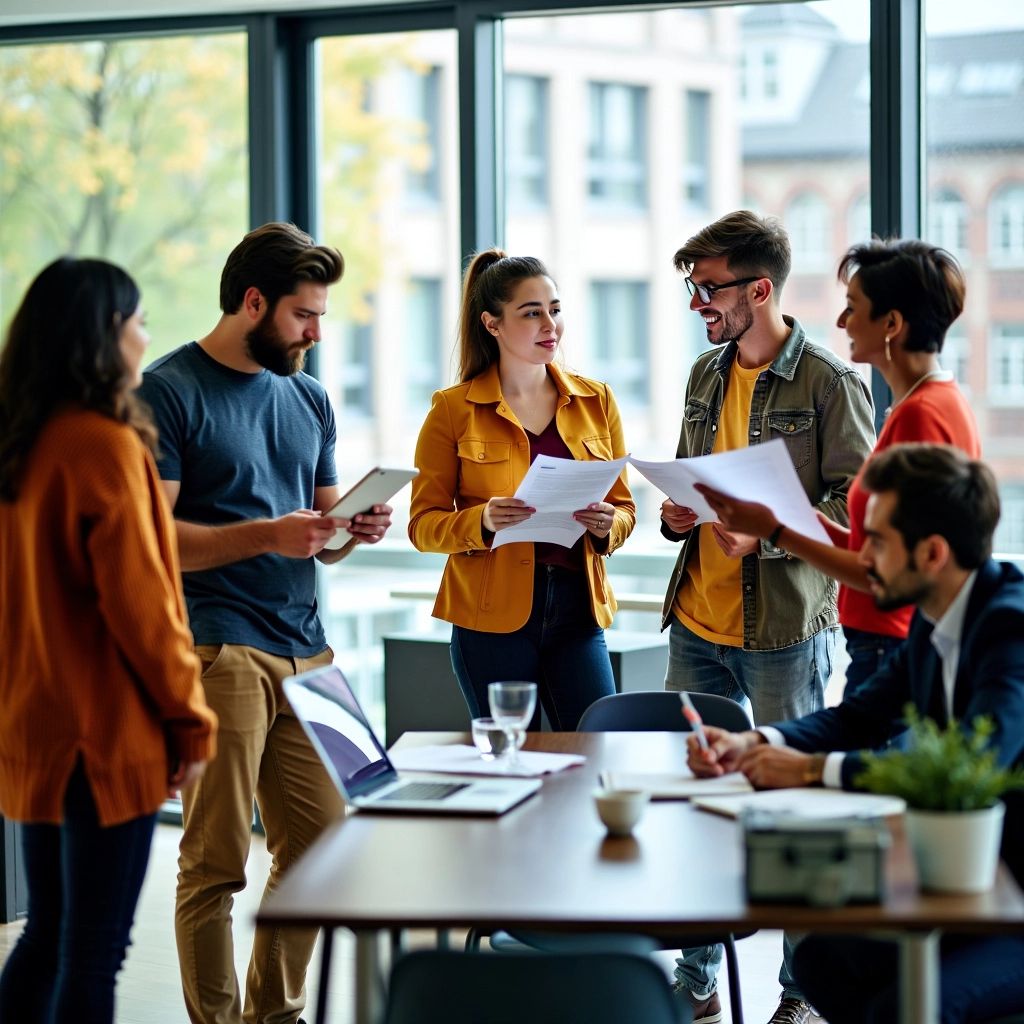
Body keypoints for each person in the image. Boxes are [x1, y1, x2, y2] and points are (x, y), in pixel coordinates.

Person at [137, 223, 392, 1024]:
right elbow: (156, 543)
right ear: (253, 303)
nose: (317, 333)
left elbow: (319, 534)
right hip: (217, 646)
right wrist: (269, 535)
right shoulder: (167, 391)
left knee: (327, 842)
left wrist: (353, 527)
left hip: (309, 651)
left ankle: (270, 1016)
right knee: (214, 861)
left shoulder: (308, 396)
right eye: (304, 316)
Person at [687, 442, 1024, 1024]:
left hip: (1010, 898)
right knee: (824, 962)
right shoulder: (934, 619)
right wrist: (759, 743)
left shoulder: (1008, 627)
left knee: (905, 1004)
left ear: (933, 552)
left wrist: (813, 770)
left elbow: (980, 762)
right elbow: (858, 716)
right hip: (960, 878)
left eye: (876, 541)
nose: (860, 556)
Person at [660, 210, 875, 1024]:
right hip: (696, 624)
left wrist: (769, 538)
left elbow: (855, 511)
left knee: (792, 816)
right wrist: (677, 516)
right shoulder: (704, 374)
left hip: (784, 633)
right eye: (692, 287)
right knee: (694, 802)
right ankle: (698, 977)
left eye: (708, 288)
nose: (696, 304)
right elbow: (695, 479)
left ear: (759, 288)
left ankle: (800, 992)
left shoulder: (827, 380)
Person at [0, 257, 217, 1023]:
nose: (146, 338)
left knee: (46, 937)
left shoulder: (19, 446)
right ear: (101, 339)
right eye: (138, 322)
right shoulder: (104, 445)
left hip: (35, 728)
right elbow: (143, 605)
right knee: (93, 956)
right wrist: (191, 717)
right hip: (103, 735)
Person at [697, 239, 980, 700]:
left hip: (891, 642)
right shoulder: (927, 403)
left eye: (853, 307)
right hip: (881, 641)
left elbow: (885, 572)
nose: (841, 321)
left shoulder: (921, 415)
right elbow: (875, 548)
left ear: (891, 324)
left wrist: (773, 529)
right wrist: (796, 523)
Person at [408, 249, 635, 731]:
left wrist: (606, 524)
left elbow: (624, 509)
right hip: (490, 619)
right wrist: (483, 521)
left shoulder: (597, 401)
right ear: (492, 324)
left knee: (597, 748)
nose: (549, 324)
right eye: (531, 313)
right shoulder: (452, 410)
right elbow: (422, 527)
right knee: (513, 761)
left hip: (579, 610)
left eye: (554, 309)